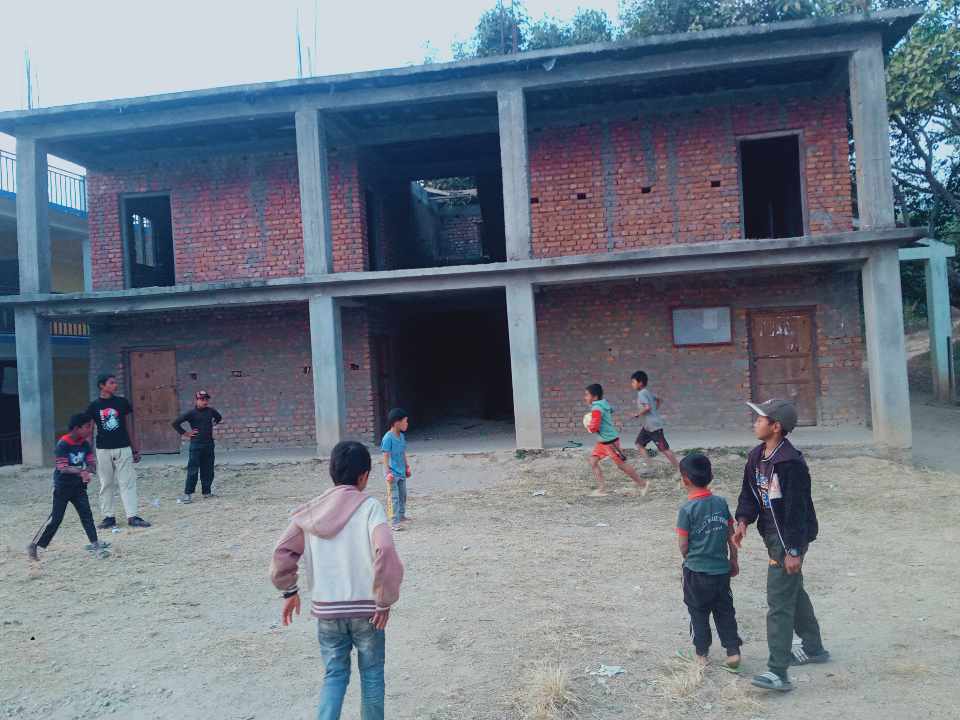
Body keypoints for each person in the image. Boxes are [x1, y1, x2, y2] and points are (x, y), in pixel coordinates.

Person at [270, 440, 404, 720]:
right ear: (364, 476)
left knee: (334, 675)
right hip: (368, 611)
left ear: (332, 471)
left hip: (327, 611)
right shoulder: (370, 508)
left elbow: (282, 552)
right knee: (372, 674)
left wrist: (289, 591)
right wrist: (384, 600)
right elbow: (385, 549)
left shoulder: (311, 512)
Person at [732, 399, 829, 692]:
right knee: (792, 590)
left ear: (775, 427)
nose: (755, 422)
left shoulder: (791, 464)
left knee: (779, 601)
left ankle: (778, 672)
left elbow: (797, 511)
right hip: (772, 535)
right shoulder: (756, 456)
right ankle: (813, 648)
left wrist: (793, 550)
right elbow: (749, 494)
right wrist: (743, 520)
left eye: (760, 419)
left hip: (788, 538)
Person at [677, 452, 741, 669]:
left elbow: (683, 545)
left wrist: (689, 558)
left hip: (696, 573)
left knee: (698, 612)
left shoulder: (686, 509)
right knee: (725, 611)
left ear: (685, 479)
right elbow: (731, 536)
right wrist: (733, 560)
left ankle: (702, 654)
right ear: (711, 476)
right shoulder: (721, 503)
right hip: (721, 571)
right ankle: (732, 651)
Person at [27, 413, 110, 561]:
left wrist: (87, 471)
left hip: (78, 487)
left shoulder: (85, 444)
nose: (90, 430)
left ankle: (96, 545)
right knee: (56, 519)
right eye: (87, 427)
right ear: (77, 428)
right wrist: (82, 471)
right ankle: (35, 545)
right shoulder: (63, 444)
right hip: (63, 487)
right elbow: (63, 468)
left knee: (87, 515)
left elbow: (92, 464)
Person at [87, 374, 151, 528]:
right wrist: (89, 455)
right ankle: (108, 517)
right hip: (103, 450)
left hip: (123, 447)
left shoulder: (122, 403)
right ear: (102, 386)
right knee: (106, 483)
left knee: (127, 482)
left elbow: (129, 426)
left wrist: (135, 449)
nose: (115, 385)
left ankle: (132, 516)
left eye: (115, 382)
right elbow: (90, 431)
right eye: (111, 383)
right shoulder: (94, 406)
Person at [584, 383, 649, 497]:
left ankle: (643, 484)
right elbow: (611, 409)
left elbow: (594, 427)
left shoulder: (596, 408)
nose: (585, 397)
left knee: (622, 465)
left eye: (587, 395)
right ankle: (602, 489)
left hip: (610, 442)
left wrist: (588, 426)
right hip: (602, 442)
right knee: (593, 461)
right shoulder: (603, 403)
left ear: (594, 397)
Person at [172, 390, 223, 503]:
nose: (205, 401)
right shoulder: (191, 413)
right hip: (196, 445)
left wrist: (213, 423)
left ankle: (207, 492)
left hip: (209, 444)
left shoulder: (211, 411)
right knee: (193, 469)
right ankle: (188, 494)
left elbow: (219, 417)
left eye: (206, 399)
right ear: (197, 400)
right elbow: (175, 423)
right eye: (202, 399)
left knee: (208, 469)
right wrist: (186, 433)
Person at [631, 370, 680, 473]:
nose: (632, 384)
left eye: (633, 382)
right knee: (639, 444)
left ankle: (680, 469)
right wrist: (655, 410)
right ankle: (650, 467)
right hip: (648, 427)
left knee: (664, 449)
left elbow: (647, 407)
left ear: (640, 383)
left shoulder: (641, 394)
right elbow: (659, 400)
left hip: (654, 427)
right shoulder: (647, 392)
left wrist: (638, 414)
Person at [380, 408, 411, 531]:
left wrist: (407, 466)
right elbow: (385, 456)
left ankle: (401, 515)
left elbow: (403, 452)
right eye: (405, 421)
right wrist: (387, 473)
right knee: (394, 497)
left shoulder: (402, 436)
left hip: (401, 471)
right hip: (392, 473)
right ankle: (394, 521)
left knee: (403, 495)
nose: (407, 424)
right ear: (397, 422)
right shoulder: (388, 438)